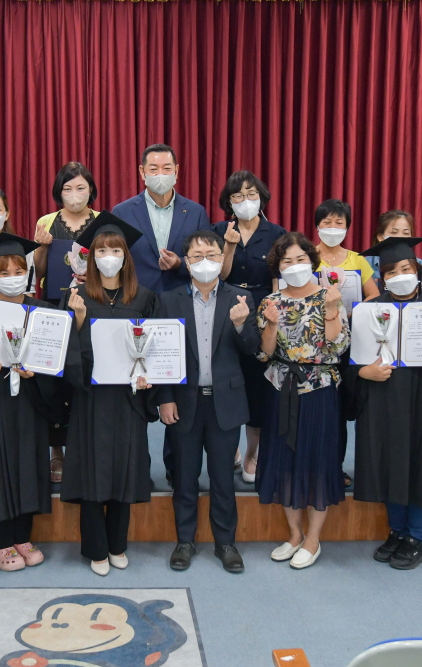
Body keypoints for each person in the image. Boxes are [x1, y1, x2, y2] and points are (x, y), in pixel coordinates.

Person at [0, 233, 77, 571]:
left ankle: (22, 536)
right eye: (4, 272)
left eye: (18, 271)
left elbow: (59, 366)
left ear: (28, 273)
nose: (12, 278)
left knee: (30, 465)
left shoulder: (46, 313)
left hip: (31, 400)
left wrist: (36, 374)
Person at [59, 212, 159, 576]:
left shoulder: (144, 298)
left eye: (116, 250)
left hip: (129, 400)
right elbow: (64, 354)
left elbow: (157, 351)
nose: (109, 256)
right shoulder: (77, 297)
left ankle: (118, 544)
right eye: (101, 250)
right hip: (92, 400)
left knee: (123, 470)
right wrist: (79, 320)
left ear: (126, 256)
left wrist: (150, 377)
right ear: (91, 256)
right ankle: (96, 549)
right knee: (93, 472)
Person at [346, 236, 422, 570]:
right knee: (390, 461)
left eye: (406, 268)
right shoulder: (370, 310)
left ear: (419, 272)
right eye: (391, 271)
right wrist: (362, 372)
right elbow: (352, 359)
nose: (399, 276)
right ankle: (397, 531)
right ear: (382, 278)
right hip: (385, 396)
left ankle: (417, 538)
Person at [156, 231, 259, 573]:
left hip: (224, 403)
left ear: (222, 258)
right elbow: (161, 354)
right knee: (185, 478)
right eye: (197, 256)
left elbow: (253, 350)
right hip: (184, 402)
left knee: (222, 479)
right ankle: (184, 541)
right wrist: (165, 399)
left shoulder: (240, 298)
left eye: (212, 255)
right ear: (186, 262)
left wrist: (242, 326)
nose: (205, 262)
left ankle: (225, 543)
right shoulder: (168, 300)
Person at [255, 232, 348, 570]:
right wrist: (270, 324)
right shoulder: (270, 301)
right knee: (284, 461)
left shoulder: (329, 296)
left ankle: (313, 539)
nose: (294, 266)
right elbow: (264, 354)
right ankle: (295, 534)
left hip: (319, 388)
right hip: (281, 388)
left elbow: (338, 348)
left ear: (312, 260)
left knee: (316, 461)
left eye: (300, 259)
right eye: (287, 261)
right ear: (277, 266)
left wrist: (332, 311)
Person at [214, 170, 285, 485]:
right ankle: (230, 447)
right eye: (238, 195)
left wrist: (274, 315)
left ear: (262, 197)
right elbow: (218, 274)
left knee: (257, 385)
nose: (245, 201)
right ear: (229, 201)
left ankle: (252, 453)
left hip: (263, 309)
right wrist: (228, 246)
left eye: (251, 194)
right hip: (225, 308)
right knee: (227, 379)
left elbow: (279, 278)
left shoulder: (276, 233)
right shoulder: (219, 230)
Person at [32, 162, 100, 482]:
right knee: (53, 379)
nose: (74, 194)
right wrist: (41, 247)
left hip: (92, 305)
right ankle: (56, 451)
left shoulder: (102, 221)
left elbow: (113, 262)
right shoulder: (46, 222)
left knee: (86, 371)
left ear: (91, 190)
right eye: (67, 188)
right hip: (53, 307)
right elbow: (38, 273)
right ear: (58, 192)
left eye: (80, 187)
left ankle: (85, 447)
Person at [312, 198, 379, 490]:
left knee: (339, 408)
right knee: (317, 407)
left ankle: (336, 467)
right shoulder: (306, 257)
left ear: (347, 227)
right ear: (317, 226)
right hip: (314, 342)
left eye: (338, 222)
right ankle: (313, 466)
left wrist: (353, 311)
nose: (332, 227)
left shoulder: (357, 260)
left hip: (348, 341)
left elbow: (374, 296)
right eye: (326, 222)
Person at [112, 144, 211, 293]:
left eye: (167, 169)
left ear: (176, 171)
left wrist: (180, 263)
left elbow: (208, 258)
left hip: (182, 296)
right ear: (142, 172)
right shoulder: (122, 212)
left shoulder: (195, 212)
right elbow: (114, 258)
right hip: (136, 296)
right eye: (153, 169)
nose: (160, 174)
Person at [363, 210, 422, 296]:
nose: (400, 237)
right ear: (380, 237)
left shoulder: (420, 264)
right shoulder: (365, 264)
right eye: (394, 232)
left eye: (406, 233)